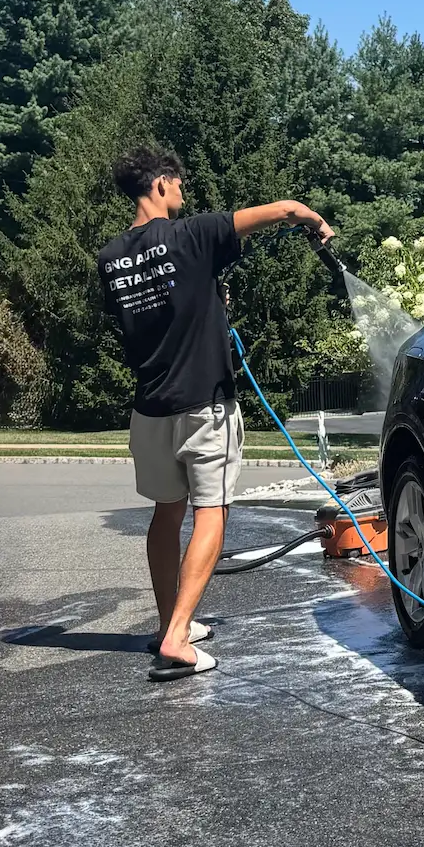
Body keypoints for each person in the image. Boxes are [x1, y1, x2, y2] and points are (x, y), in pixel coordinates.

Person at [97, 145, 334, 680]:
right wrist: (316, 222)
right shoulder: (194, 233)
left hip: (150, 410)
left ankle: (170, 622)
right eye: (178, 183)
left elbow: (153, 316)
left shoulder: (110, 258)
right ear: (160, 183)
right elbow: (285, 210)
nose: (182, 191)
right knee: (212, 513)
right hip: (204, 405)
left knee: (166, 514)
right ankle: (178, 637)